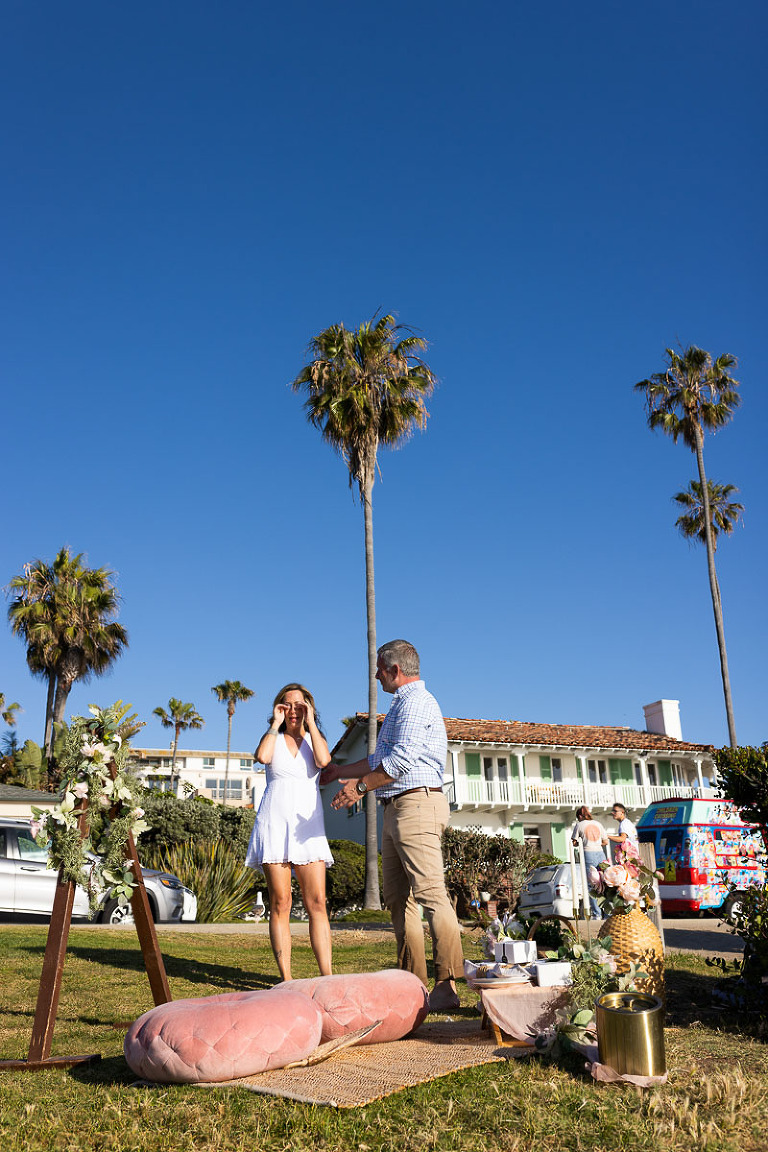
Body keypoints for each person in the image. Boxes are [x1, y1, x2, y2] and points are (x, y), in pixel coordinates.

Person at [322, 639, 464, 1012]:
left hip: (417, 803)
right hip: (396, 807)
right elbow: (378, 758)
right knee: (399, 900)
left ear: (394, 671)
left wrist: (360, 788)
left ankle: (447, 985)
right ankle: (412, 986)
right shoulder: (401, 706)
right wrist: (342, 771)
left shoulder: (417, 702)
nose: (375, 675)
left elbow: (399, 761)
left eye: (379, 669)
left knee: (431, 894)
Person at [245, 683, 333, 981]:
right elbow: (262, 757)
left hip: (307, 829)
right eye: (286, 704)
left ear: (309, 707)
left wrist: (310, 723)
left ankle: (327, 976)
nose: (292, 709)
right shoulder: (273, 737)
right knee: (281, 902)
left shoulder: (314, 739)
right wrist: (275, 723)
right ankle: (287, 979)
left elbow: (323, 761)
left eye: (299, 704)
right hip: (274, 825)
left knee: (317, 902)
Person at [570, 805, 609, 918]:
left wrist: (581, 843)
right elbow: (606, 842)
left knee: (592, 885)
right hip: (601, 853)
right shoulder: (598, 824)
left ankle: (597, 914)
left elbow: (574, 842)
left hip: (588, 853)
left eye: (578, 818)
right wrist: (596, 843)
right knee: (605, 882)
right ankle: (607, 913)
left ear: (580, 816)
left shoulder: (579, 825)